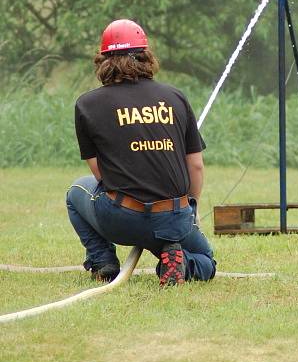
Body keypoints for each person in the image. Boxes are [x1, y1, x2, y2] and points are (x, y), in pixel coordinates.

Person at [66, 19, 216, 286]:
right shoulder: (176, 97)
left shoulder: (87, 104)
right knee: (206, 260)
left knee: (77, 191)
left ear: (103, 60)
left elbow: (100, 173)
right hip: (174, 217)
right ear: (146, 57)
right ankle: (179, 259)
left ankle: (103, 262)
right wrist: (189, 210)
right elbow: (196, 166)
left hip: (122, 218)